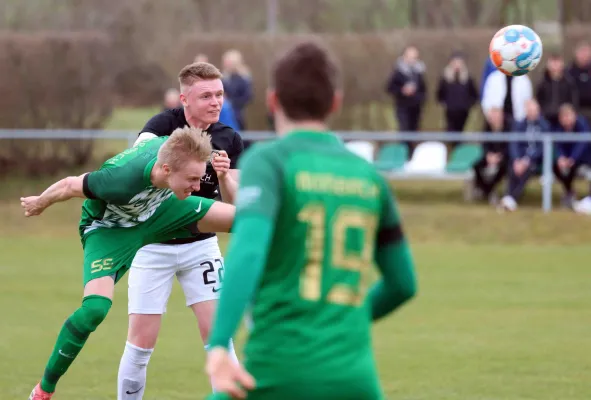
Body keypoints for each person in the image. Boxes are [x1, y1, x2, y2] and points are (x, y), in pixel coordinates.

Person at [204, 41, 418, 400]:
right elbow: (403, 284)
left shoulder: (268, 161)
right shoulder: (368, 176)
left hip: (277, 373)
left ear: (273, 102)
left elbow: (248, 253)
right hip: (357, 381)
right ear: (336, 102)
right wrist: (342, 321)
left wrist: (218, 345)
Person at [23, 127, 236, 400]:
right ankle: (43, 390)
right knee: (95, 309)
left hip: (160, 212)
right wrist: (39, 202)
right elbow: (69, 185)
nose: (198, 187)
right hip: (110, 230)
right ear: (167, 169)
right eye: (192, 179)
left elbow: (151, 140)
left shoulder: (172, 153)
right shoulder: (120, 180)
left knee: (246, 220)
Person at [118, 62, 243, 399]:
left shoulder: (228, 138)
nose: (216, 102)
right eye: (206, 96)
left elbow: (235, 203)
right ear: (185, 99)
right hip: (152, 245)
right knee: (141, 343)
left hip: (200, 247)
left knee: (218, 336)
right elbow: (135, 166)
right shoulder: (161, 126)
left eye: (219, 94)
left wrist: (225, 176)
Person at [500, 99, 550, 211]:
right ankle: (508, 196)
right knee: (512, 169)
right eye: (529, 110)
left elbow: (542, 148)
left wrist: (526, 160)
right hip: (519, 159)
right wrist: (517, 159)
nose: (532, 112)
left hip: (535, 161)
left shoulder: (544, 126)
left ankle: (512, 199)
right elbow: (514, 144)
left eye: (534, 110)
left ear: (538, 110)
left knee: (525, 171)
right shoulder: (519, 125)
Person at [552, 103, 590, 208]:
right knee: (556, 167)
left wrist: (573, 158)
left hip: (584, 159)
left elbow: (582, 144)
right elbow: (557, 144)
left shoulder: (582, 124)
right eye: (563, 116)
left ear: (574, 115)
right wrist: (561, 157)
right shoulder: (559, 128)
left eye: (568, 115)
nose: (566, 119)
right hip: (568, 161)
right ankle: (569, 192)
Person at [471, 107, 509, 204]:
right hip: (489, 156)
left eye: (496, 116)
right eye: (492, 117)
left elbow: (510, 145)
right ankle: (487, 190)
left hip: (503, 157)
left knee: (503, 168)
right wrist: (488, 155)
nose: (494, 119)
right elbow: (484, 144)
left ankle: (487, 190)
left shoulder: (508, 127)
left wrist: (499, 156)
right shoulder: (486, 128)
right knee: (476, 166)